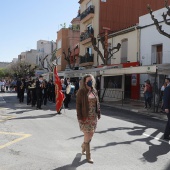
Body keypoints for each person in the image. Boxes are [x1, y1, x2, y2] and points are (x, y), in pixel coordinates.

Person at [76, 74, 101, 163]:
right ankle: (88, 156)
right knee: (87, 134)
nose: (90, 82)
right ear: (85, 82)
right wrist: (79, 117)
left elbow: (97, 102)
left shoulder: (94, 90)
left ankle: (84, 145)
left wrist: (99, 113)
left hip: (93, 116)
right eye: (88, 80)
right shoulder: (81, 92)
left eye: (91, 80)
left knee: (91, 134)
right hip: (85, 116)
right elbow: (78, 106)